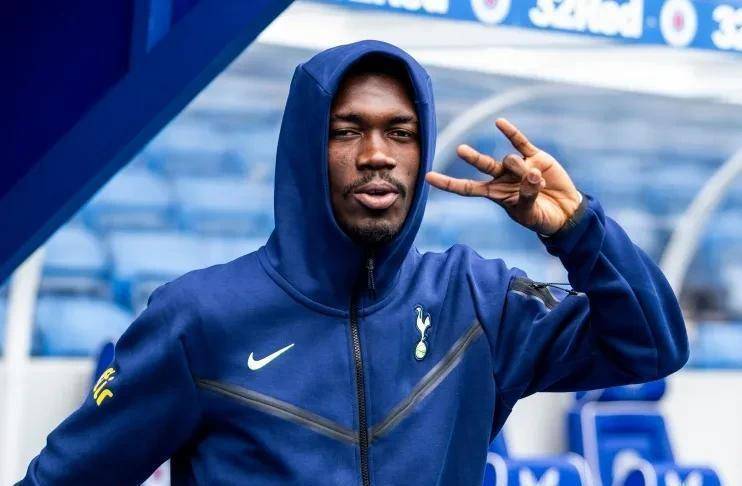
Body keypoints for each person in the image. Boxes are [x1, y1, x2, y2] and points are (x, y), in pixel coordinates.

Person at [19, 39, 689, 486]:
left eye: (401, 132)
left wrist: (578, 230)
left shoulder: (475, 300)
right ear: (306, 149)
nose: (376, 154)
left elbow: (652, 346)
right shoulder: (200, 317)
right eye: (347, 130)